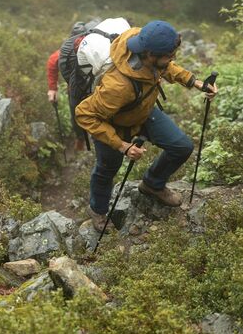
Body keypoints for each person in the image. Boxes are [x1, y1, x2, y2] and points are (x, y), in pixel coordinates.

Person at [75, 20, 218, 231]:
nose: (173, 58)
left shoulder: (144, 43)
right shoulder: (118, 87)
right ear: (149, 55)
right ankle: (98, 210)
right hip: (112, 125)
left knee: (181, 147)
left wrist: (195, 82)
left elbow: (165, 67)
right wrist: (122, 146)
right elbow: (84, 114)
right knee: (107, 170)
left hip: (143, 111)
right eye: (168, 55)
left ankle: (152, 184)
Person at [46, 22, 86, 151]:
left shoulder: (67, 49)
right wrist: (53, 88)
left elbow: (53, 61)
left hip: (83, 90)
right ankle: (81, 140)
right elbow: (53, 62)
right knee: (77, 116)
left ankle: (84, 140)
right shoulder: (68, 50)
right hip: (80, 90)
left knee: (78, 115)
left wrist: (53, 88)